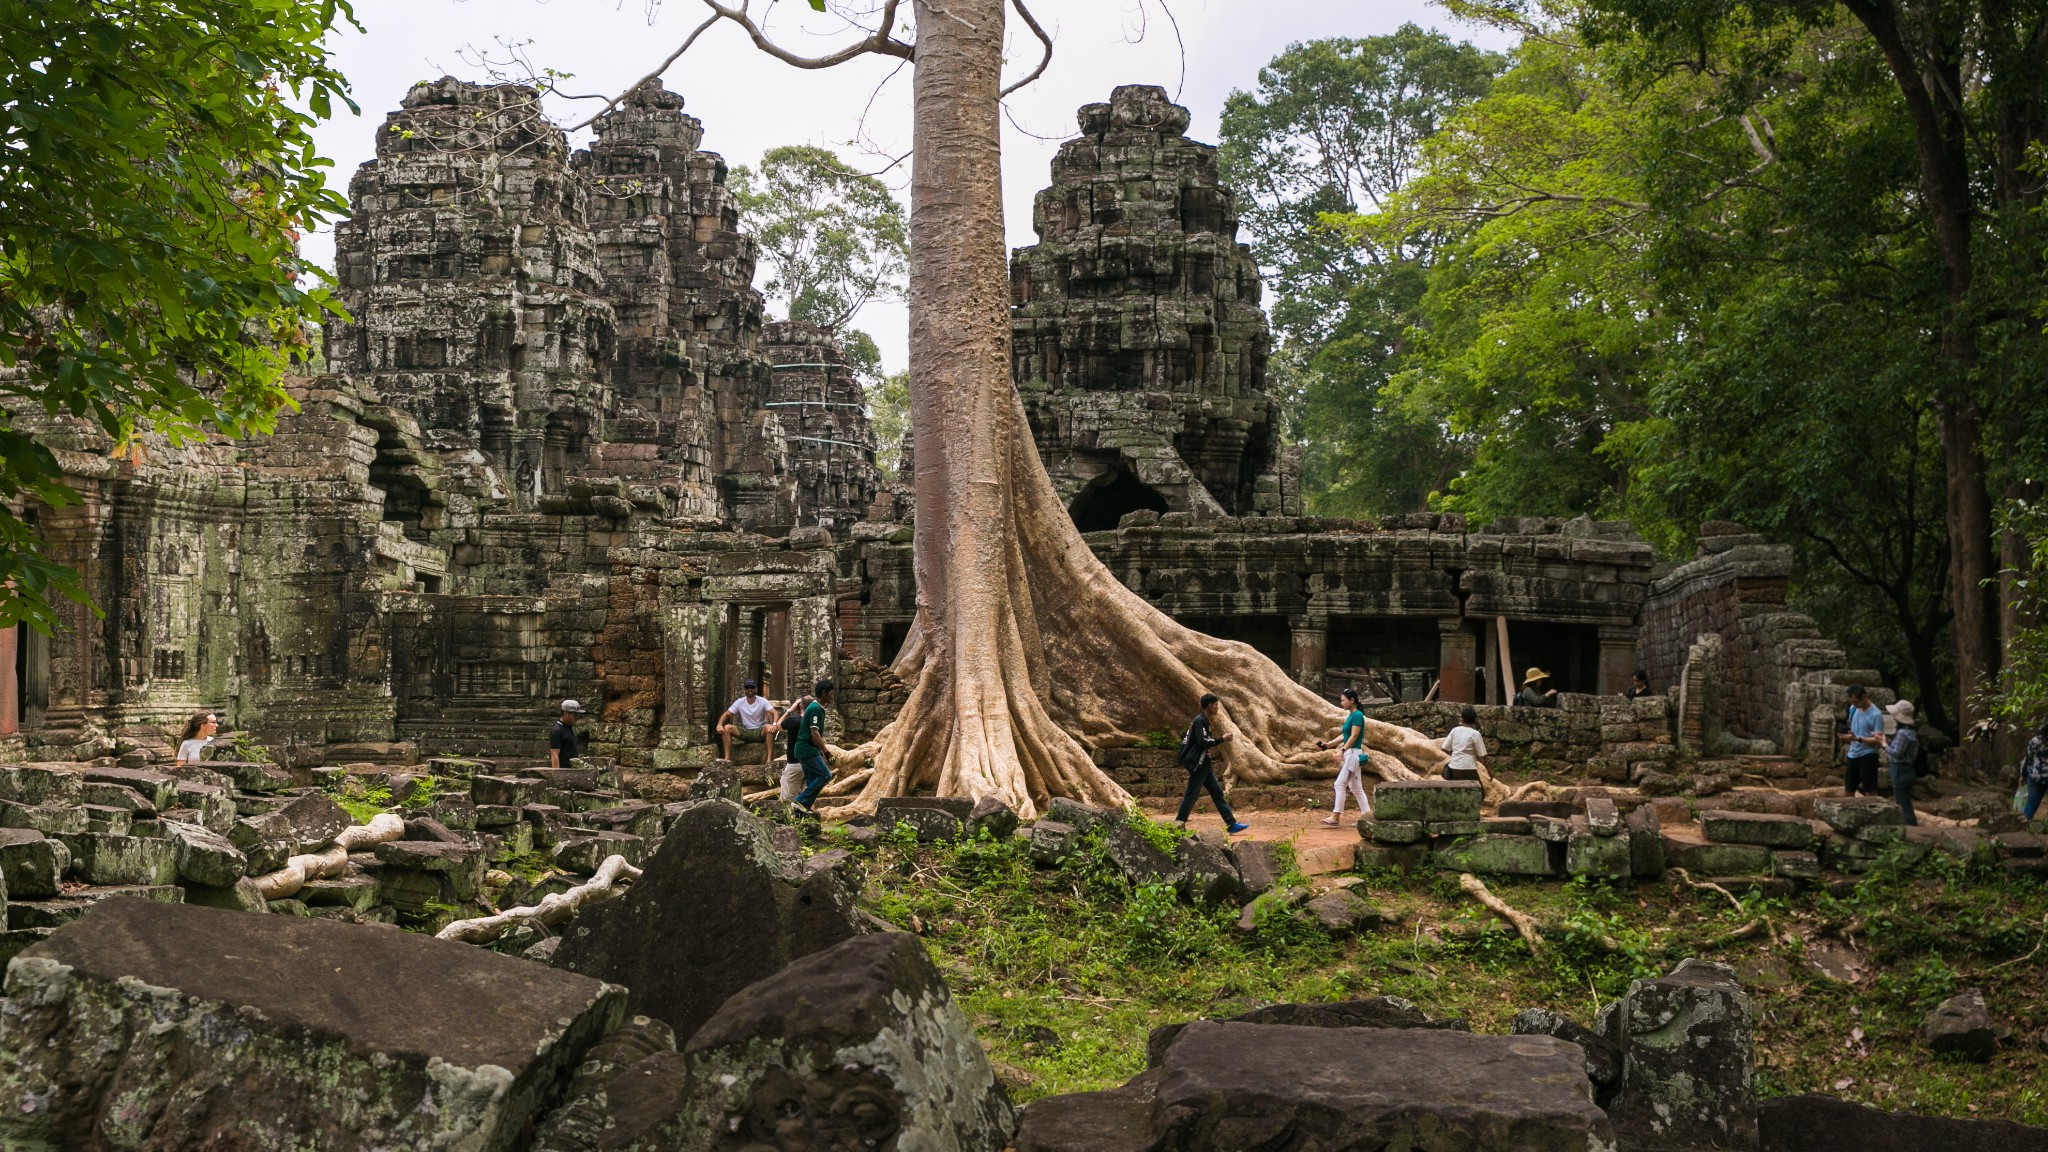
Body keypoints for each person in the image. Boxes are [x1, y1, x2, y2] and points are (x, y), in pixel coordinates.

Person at [1176, 693, 1249, 835]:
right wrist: (1221, 739)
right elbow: (1202, 742)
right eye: (1216, 705)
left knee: (1217, 794)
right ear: (1209, 706)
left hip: (1205, 764)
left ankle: (1232, 824)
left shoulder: (1203, 721)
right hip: (1199, 765)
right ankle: (1178, 824)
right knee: (1191, 795)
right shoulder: (1199, 721)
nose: (1217, 708)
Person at [1316, 687, 1370, 825]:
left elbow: (1354, 736)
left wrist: (1342, 750)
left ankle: (1335, 817)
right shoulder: (1352, 716)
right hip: (1351, 753)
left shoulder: (1357, 716)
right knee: (1356, 788)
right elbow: (1345, 735)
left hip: (1352, 754)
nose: (1341, 703)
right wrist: (1329, 744)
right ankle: (1367, 816)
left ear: (1352, 700)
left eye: (1343, 700)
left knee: (1339, 784)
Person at [789, 679, 835, 813]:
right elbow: (814, 733)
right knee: (825, 775)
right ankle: (800, 801)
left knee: (811, 780)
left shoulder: (817, 708)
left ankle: (802, 811)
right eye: (831, 693)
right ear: (824, 693)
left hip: (804, 749)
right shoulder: (815, 708)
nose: (832, 696)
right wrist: (826, 752)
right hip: (807, 749)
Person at [718, 679, 779, 761]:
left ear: (756, 689)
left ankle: (769, 758)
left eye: (752, 688)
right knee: (727, 728)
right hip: (746, 732)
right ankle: (727, 758)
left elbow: (775, 713)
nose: (750, 690)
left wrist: (774, 724)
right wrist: (719, 725)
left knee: (769, 727)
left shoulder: (762, 701)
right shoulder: (740, 702)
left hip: (759, 731)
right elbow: (726, 714)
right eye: (747, 688)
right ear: (744, 690)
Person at [1841, 685, 1883, 796]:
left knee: (1870, 791)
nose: (1854, 704)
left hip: (1868, 755)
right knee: (1848, 790)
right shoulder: (1853, 709)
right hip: (1853, 754)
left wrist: (1858, 739)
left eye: (1856, 702)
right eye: (1852, 702)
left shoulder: (1876, 714)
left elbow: (1878, 739)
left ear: (1864, 696)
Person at [1885, 699, 1922, 825]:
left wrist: (1883, 744)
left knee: (1902, 803)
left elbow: (1896, 753)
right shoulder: (1911, 732)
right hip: (1908, 769)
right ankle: (1910, 824)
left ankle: (1909, 827)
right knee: (1905, 801)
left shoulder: (1901, 733)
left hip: (1900, 769)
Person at [777, 692, 815, 801]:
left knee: (787, 799)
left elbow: (777, 726)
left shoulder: (793, 721)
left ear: (800, 705)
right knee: (808, 799)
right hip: (812, 764)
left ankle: (790, 817)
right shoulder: (814, 721)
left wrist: (789, 710)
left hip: (795, 764)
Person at [1440, 705, 1488, 781]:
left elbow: (1444, 748)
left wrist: (1456, 754)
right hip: (1469, 768)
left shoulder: (1455, 730)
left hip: (1454, 767)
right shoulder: (1475, 734)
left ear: (1462, 719)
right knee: (1477, 791)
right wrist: (1487, 770)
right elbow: (1482, 756)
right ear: (1474, 720)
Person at [2021, 720, 2048, 820]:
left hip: (2035, 777)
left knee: (2032, 803)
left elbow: (2028, 759)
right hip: (2037, 776)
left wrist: (2022, 775)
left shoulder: (2035, 741)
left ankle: (2023, 827)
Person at [550, 699, 586, 769]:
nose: (576, 718)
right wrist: (557, 775)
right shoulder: (557, 731)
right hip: (564, 771)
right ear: (565, 713)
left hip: (572, 769)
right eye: (574, 715)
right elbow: (554, 755)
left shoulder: (568, 728)